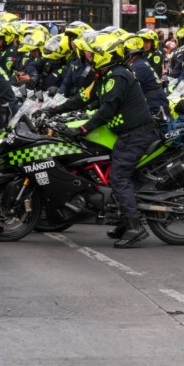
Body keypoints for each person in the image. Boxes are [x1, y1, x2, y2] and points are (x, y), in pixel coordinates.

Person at [62, 31, 160, 248]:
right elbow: (83, 98)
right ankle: (125, 222)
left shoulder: (118, 76)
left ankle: (135, 228)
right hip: (128, 134)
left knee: (118, 177)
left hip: (136, 134)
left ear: (103, 55)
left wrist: (83, 129)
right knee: (113, 173)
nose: (87, 57)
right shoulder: (105, 75)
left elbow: (107, 110)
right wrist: (54, 110)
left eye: (91, 54)